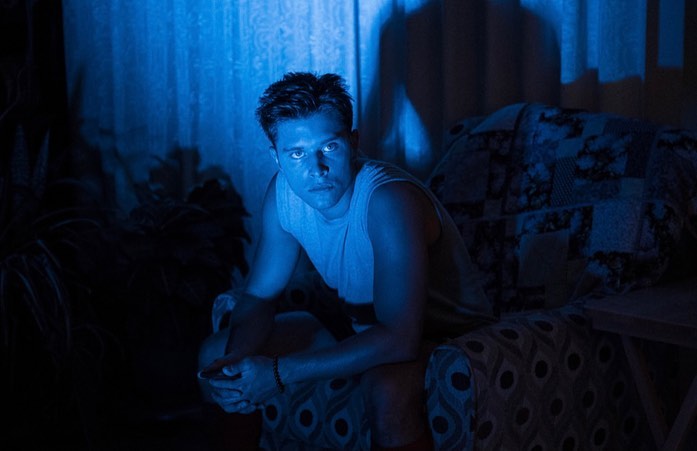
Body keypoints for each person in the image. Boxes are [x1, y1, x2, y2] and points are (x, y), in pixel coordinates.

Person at [198, 72, 494, 450]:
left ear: (353, 143)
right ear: (276, 156)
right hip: (361, 329)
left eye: (329, 146)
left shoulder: (389, 201)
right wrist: (240, 360)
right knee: (217, 355)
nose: (316, 169)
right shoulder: (283, 194)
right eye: (296, 154)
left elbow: (401, 338)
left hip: (450, 339)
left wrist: (276, 372)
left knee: (386, 387)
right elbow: (259, 296)